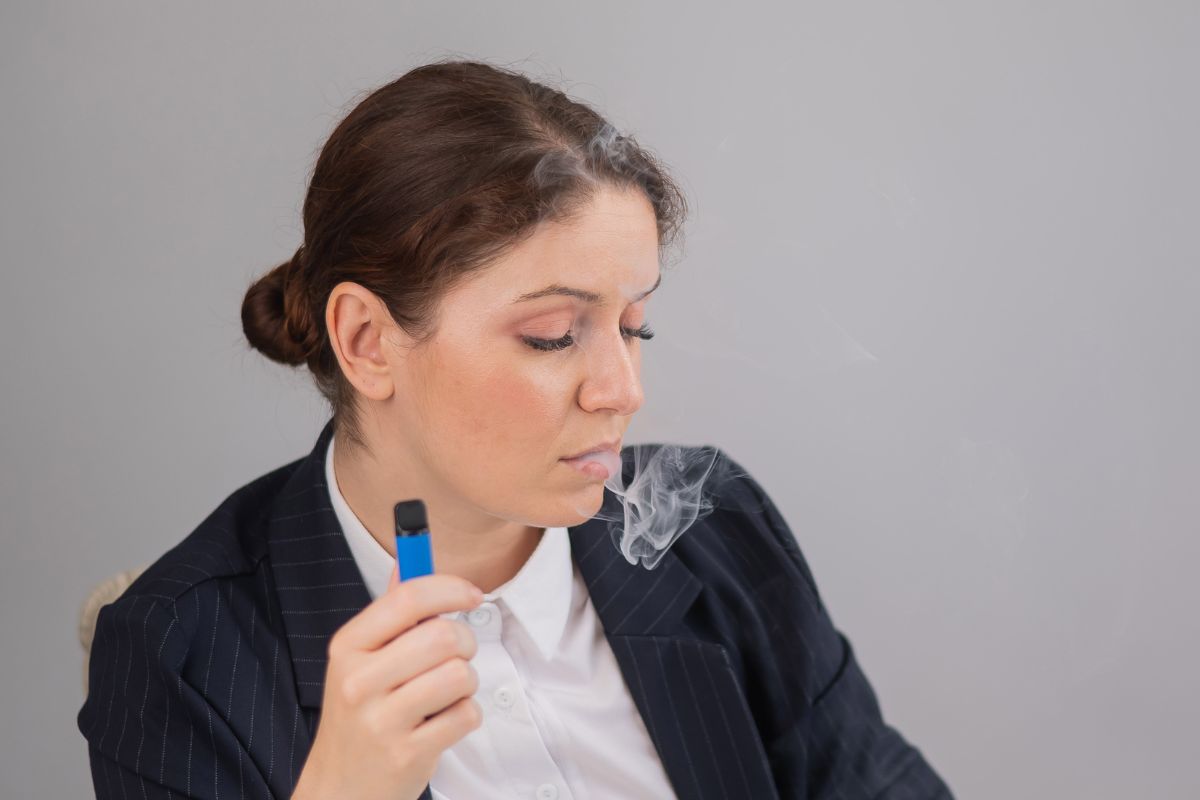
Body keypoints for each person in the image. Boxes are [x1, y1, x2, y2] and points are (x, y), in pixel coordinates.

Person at [77, 59, 954, 800]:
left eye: (634, 327)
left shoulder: (720, 534)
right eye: (553, 335)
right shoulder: (179, 652)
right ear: (368, 341)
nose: (622, 391)